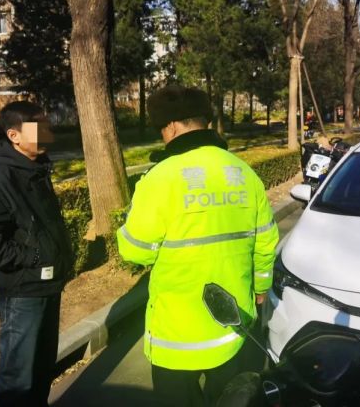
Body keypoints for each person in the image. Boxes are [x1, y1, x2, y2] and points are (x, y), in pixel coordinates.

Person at [118, 85, 279, 407]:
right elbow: (266, 243)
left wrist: (125, 223)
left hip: (177, 336)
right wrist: (261, 290)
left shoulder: (160, 178)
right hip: (231, 326)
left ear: (172, 126)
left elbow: (135, 250)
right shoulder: (244, 173)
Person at [0, 101, 73, 407]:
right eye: (40, 128)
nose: (48, 133)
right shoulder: (1, 178)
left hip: (48, 286)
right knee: (18, 379)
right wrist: (34, 259)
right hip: (24, 292)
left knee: (40, 371)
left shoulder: (36, 169)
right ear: (14, 135)